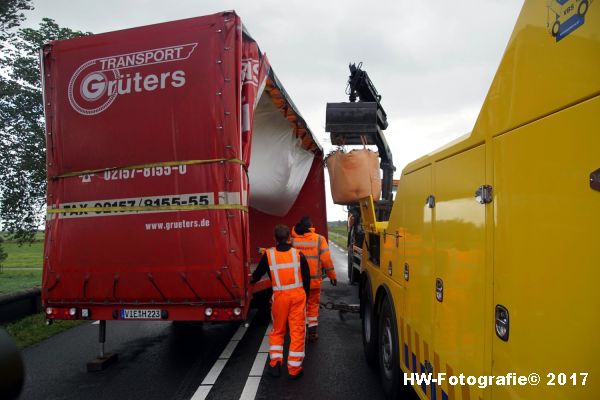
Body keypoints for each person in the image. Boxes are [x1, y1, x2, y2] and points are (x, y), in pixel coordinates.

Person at [251, 224, 310, 378]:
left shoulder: (269, 255)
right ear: (289, 238)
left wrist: (248, 282)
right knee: (297, 331)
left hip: (279, 298)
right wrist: (307, 297)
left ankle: (275, 363)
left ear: (274, 239)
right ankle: (294, 368)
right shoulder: (298, 254)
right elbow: (307, 279)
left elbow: (257, 275)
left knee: (278, 330)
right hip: (298, 297)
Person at [291, 216, 336, 342]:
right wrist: (332, 276)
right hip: (314, 282)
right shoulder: (319, 239)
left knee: (300, 307)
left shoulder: (293, 241)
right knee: (313, 306)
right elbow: (326, 260)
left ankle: (300, 333)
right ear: (311, 227)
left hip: (298, 283)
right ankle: (312, 333)